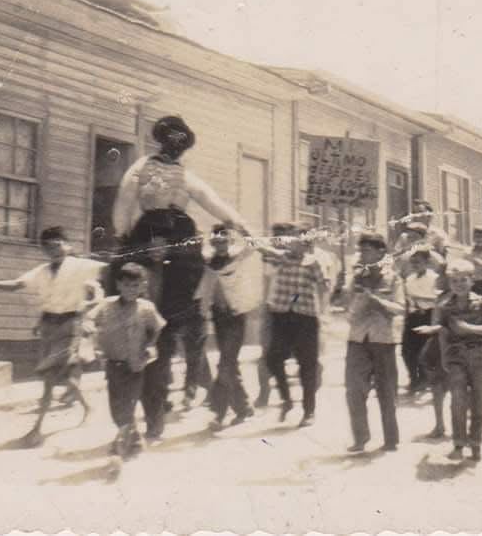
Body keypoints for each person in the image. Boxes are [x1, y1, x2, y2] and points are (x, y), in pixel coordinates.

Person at [112, 115, 250, 410]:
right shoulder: (141, 167)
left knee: (186, 306)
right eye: (171, 139)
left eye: (180, 141)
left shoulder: (186, 175)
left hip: (180, 235)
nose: (175, 146)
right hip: (149, 232)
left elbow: (209, 199)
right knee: (142, 297)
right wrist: (122, 232)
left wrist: (237, 223)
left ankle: (198, 380)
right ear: (162, 139)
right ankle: (155, 389)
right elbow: (125, 200)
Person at [0, 227, 106, 447]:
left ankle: (36, 430)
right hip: (48, 326)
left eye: (58, 244)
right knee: (63, 378)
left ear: (68, 245)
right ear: (44, 250)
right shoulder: (42, 271)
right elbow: (16, 285)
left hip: (70, 325)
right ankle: (88, 407)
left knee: (50, 379)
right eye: (49, 247)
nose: (55, 250)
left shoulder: (80, 266)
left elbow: (107, 270)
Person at [415, 258, 482, 462]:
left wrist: (468, 328)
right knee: (458, 401)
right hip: (455, 357)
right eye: (454, 281)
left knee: (478, 403)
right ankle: (459, 444)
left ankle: (476, 443)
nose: (459, 284)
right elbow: (442, 330)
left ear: (472, 280)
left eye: (463, 280)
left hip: (478, 356)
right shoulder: (445, 306)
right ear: (450, 283)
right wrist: (441, 352)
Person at [89, 263, 166, 460]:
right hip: (112, 364)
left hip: (135, 365)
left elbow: (156, 328)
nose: (131, 290)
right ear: (118, 285)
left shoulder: (146, 308)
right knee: (116, 409)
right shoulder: (107, 305)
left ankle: (119, 447)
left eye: (136, 286)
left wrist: (150, 345)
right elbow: (90, 319)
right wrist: (90, 333)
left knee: (128, 406)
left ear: (142, 287)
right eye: (127, 285)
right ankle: (136, 439)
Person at [343, 232, 405, 452]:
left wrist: (376, 301)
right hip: (358, 338)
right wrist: (355, 298)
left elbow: (400, 308)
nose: (362, 255)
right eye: (361, 251)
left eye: (367, 250)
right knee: (353, 390)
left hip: (383, 339)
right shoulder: (355, 278)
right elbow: (346, 308)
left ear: (381, 253)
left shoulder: (394, 279)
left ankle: (391, 439)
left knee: (386, 391)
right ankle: (360, 438)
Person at [260, 221, 326, 427]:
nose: (293, 244)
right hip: (281, 315)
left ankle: (309, 411)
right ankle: (287, 400)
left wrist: (323, 312)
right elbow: (262, 248)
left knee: (307, 365)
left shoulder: (312, 262)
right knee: (272, 359)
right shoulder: (281, 259)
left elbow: (324, 287)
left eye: (298, 241)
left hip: (305, 318)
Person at [201, 223, 262, 429]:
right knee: (230, 363)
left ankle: (218, 413)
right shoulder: (209, 263)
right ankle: (244, 407)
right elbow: (207, 290)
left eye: (224, 241)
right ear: (212, 243)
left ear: (230, 241)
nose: (220, 245)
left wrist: (239, 227)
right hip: (219, 317)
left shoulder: (237, 257)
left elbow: (254, 243)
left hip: (237, 316)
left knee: (225, 364)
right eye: (216, 241)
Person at [401, 246, 443, 393]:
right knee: (406, 350)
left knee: (424, 350)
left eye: (418, 262)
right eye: (412, 262)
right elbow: (406, 298)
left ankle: (425, 378)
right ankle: (414, 378)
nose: (415, 265)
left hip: (429, 315)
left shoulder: (434, 278)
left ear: (427, 262)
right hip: (413, 316)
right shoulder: (409, 279)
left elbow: (439, 299)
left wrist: (420, 298)